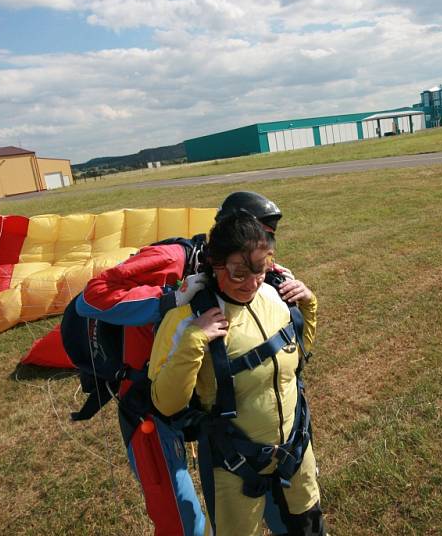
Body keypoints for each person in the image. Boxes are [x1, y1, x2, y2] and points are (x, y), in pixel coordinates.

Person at [68, 192, 291, 536]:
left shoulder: (242, 268)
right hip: (148, 405)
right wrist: (169, 299)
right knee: (182, 520)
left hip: (198, 401)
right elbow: (91, 298)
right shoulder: (172, 259)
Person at [148, 210, 326, 535]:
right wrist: (194, 340)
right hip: (234, 466)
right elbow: (166, 403)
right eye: (238, 272)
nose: (251, 282)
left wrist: (309, 307)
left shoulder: (274, 297)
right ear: (216, 266)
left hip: (296, 451)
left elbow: (297, 359)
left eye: (260, 268)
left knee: (310, 528)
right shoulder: (186, 321)